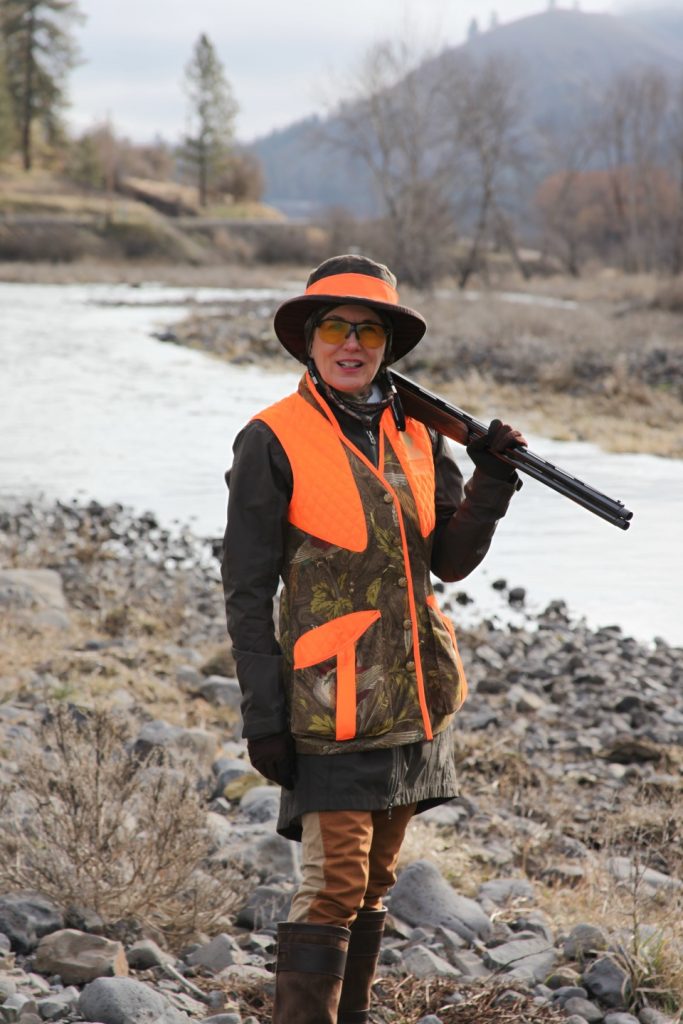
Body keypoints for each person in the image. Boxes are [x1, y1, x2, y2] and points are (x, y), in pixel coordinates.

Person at [221, 254, 526, 1024]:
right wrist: (264, 713)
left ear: (387, 342)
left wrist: (490, 483)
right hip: (328, 707)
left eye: (367, 329)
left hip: (414, 693)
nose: (349, 343)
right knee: (331, 883)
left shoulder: (420, 433)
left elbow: (448, 561)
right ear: (308, 340)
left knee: (374, 885)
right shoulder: (271, 438)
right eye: (334, 327)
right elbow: (246, 592)